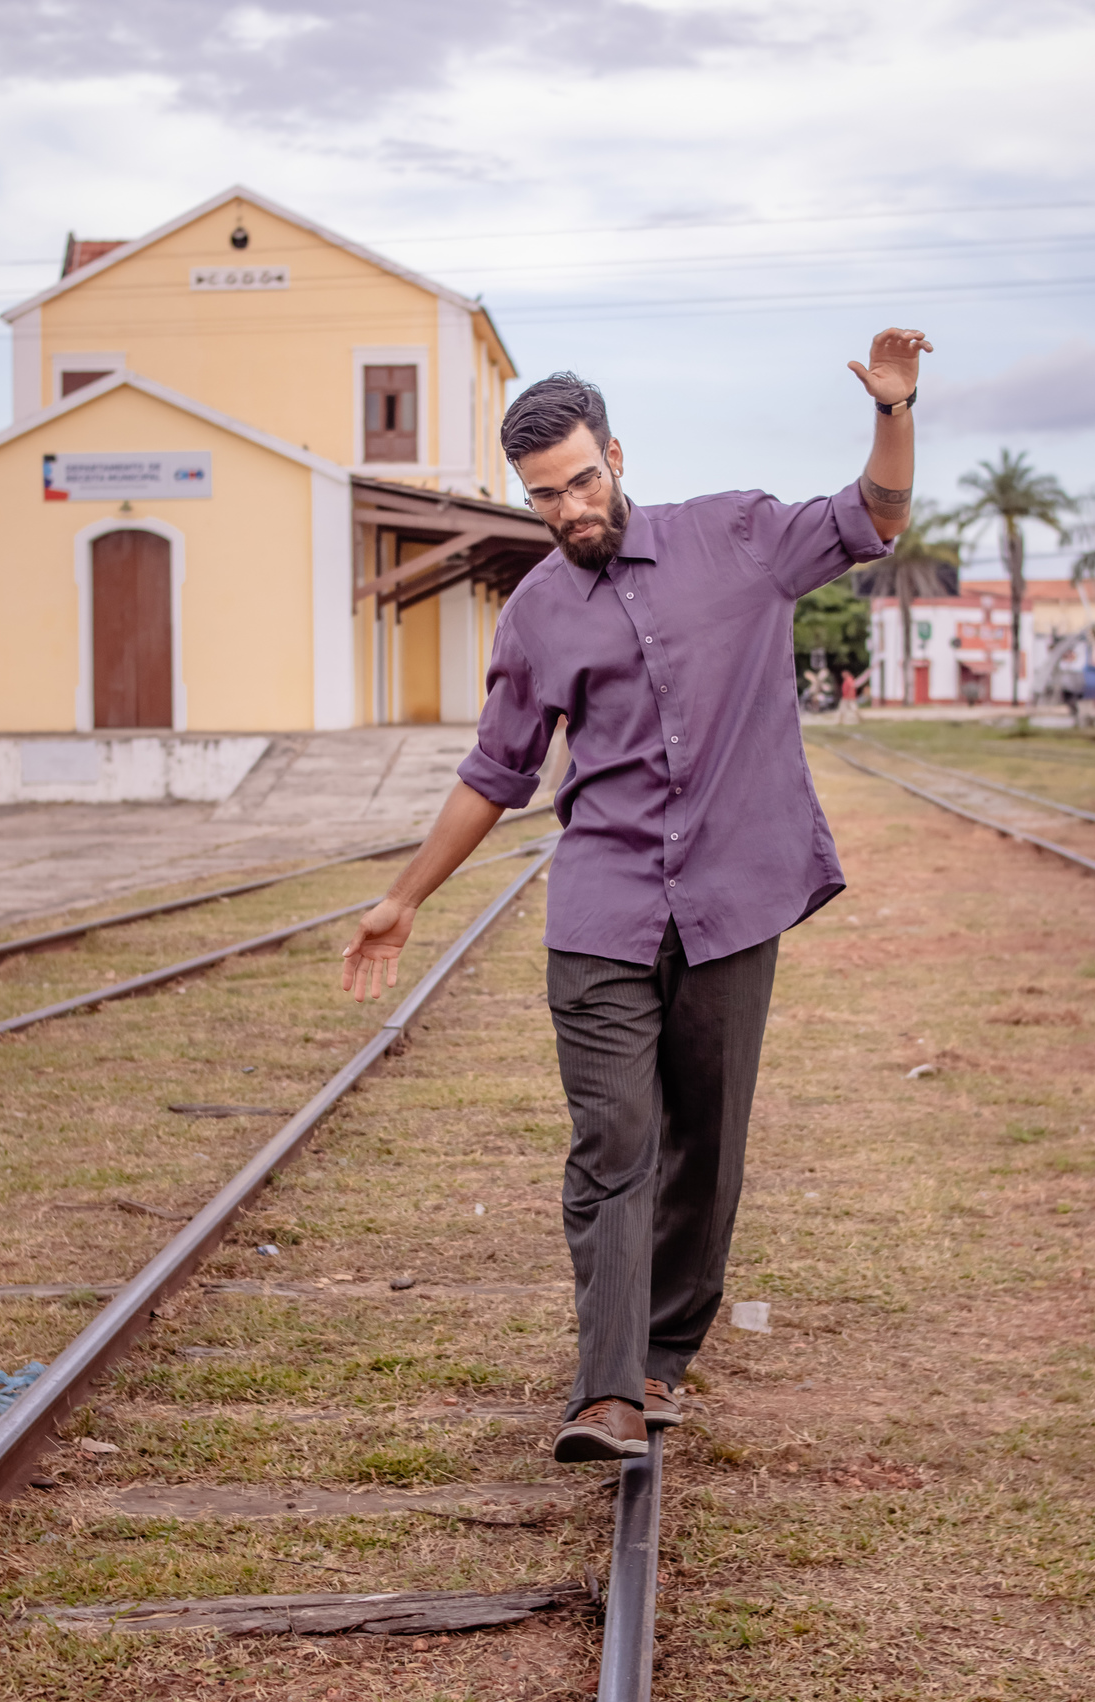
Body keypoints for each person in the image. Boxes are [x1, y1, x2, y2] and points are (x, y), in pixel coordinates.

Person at [341, 329, 932, 1463]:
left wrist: (894, 410)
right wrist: (406, 896)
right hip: (603, 908)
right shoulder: (537, 615)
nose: (567, 511)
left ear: (616, 454)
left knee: (706, 1146)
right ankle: (605, 1391)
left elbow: (876, 517)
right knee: (614, 1141)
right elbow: (496, 775)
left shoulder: (742, 537)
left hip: (730, 902)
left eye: (580, 482)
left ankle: (663, 1357)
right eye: (543, 497)